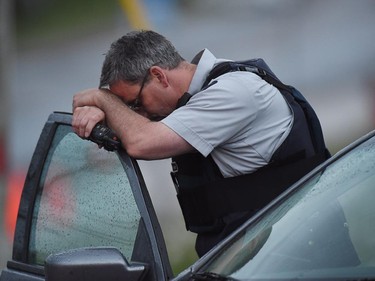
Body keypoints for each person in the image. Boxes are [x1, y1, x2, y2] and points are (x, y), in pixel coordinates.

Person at [72, 30, 326, 257]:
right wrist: (109, 113)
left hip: (295, 254)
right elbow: (134, 131)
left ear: (159, 76)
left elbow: (141, 142)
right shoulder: (200, 94)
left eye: (135, 104)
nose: (138, 115)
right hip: (263, 251)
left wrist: (102, 100)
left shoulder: (231, 92)